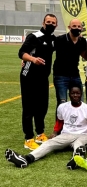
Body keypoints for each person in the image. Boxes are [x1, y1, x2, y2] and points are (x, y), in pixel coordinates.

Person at [5, 85, 87, 169]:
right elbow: (60, 121)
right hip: (66, 134)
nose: (75, 95)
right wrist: (55, 132)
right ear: (69, 94)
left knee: (79, 145)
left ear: (81, 94)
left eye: (77, 93)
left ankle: (76, 159)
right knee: (48, 143)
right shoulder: (62, 107)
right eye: (73, 93)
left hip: (82, 135)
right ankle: (27, 159)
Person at [18, 14, 57, 150]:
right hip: (28, 76)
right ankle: (28, 138)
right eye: (48, 22)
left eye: (53, 22)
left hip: (42, 78)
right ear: (43, 22)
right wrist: (32, 59)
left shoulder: (52, 39)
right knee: (29, 108)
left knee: (42, 106)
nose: (50, 24)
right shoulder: (34, 36)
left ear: (56, 25)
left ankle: (40, 133)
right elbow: (21, 52)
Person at [53, 18, 87, 115]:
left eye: (78, 26)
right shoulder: (60, 40)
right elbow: (45, 51)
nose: (76, 28)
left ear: (81, 28)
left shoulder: (82, 41)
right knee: (62, 103)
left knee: (80, 101)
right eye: (74, 26)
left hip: (75, 75)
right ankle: (59, 128)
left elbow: (86, 56)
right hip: (60, 76)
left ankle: (80, 126)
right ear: (69, 27)